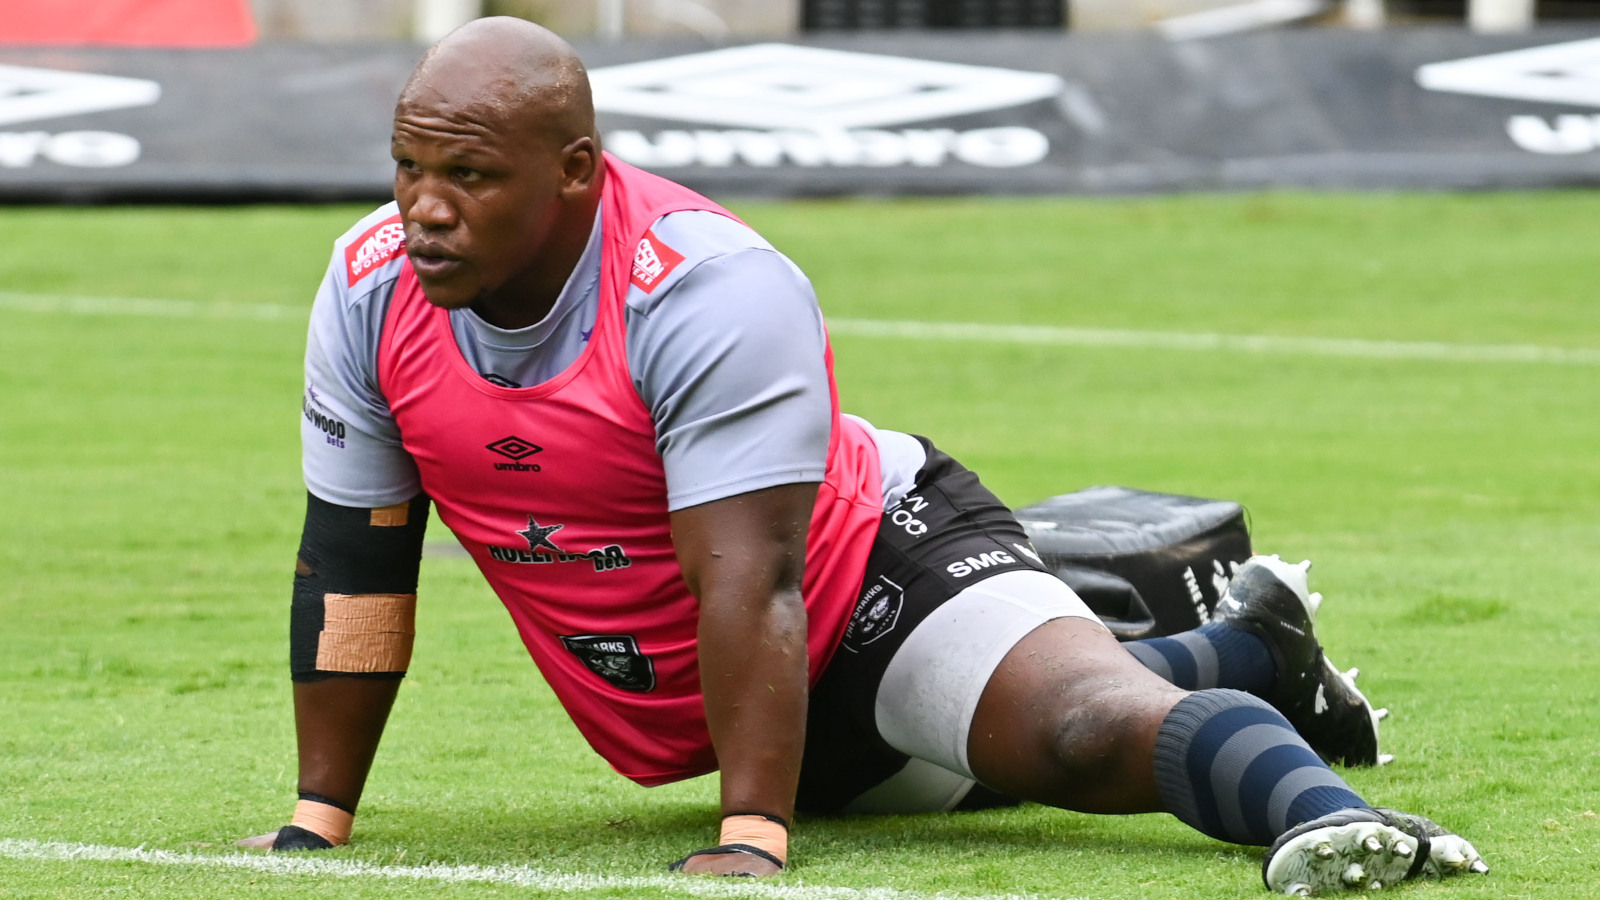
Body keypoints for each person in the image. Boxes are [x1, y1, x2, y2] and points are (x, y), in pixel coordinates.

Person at [241, 17, 1488, 895]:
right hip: (750, 702)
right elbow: (356, 566)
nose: (423, 207)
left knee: (1077, 733)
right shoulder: (367, 288)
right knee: (1000, 750)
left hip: (870, 576)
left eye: (468, 175)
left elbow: (753, 584)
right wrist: (320, 814)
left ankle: (1335, 823)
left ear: (576, 176)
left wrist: (749, 829)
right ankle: (1250, 648)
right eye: (407, 167)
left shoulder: (701, 288)